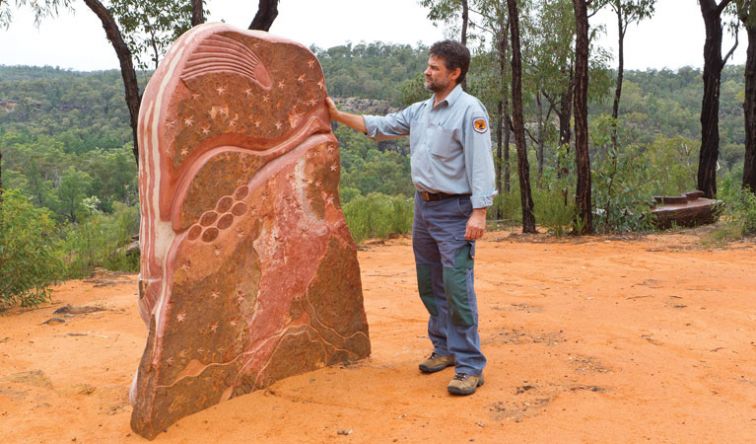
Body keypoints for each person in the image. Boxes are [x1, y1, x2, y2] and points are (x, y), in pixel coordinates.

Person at [326, 40, 496, 396]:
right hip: (425, 208)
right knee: (430, 283)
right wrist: (337, 115)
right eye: (428, 65)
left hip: (456, 210)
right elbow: (380, 126)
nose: (427, 71)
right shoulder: (421, 110)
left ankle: (469, 365)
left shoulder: (469, 111)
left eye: (435, 68)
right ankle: (445, 348)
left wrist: (479, 212)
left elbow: (481, 165)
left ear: (455, 73)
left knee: (456, 288)